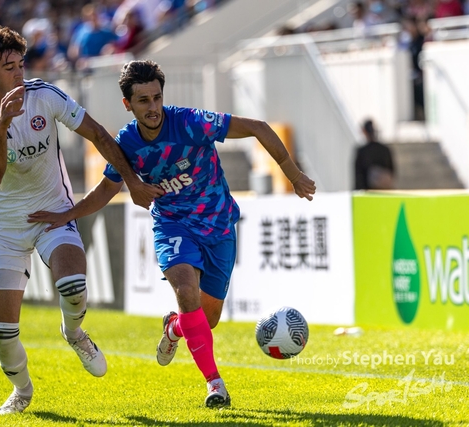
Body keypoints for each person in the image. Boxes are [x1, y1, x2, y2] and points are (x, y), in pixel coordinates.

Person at [28, 60, 316, 408]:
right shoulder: (127, 143)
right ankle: (215, 384)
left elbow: (258, 127)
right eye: (143, 100)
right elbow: (106, 189)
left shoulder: (191, 123)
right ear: (128, 104)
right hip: (172, 225)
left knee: (206, 320)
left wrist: (293, 174)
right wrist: (67, 215)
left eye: (157, 98)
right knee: (185, 290)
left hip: (219, 226)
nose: (153, 107)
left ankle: (175, 328)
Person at [0, 27, 162, 417]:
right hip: (6, 228)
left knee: (72, 284)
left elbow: (99, 136)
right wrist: (3, 124)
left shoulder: (46, 95)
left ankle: (73, 332)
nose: (19, 72)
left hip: (53, 214)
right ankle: (22, 391)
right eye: (9, 67)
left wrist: (132, 181)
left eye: (20, 63)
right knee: (3, 335)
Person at [354, 118, 395, 190]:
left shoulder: (362, 152)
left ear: (364, 131)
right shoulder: (385, 150)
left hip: (367, 192)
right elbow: (392, 171)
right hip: (384, 191)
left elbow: (358, 176)